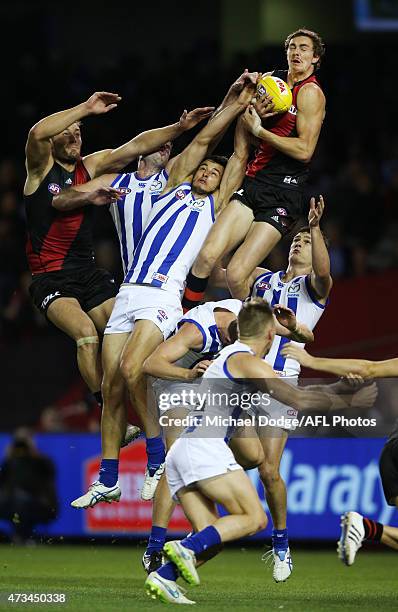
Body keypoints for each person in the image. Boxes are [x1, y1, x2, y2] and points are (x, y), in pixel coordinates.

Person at [70, 80, 257, 508]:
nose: (209, 173)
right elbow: (203, 139)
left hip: (163, 295)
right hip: (128, 291)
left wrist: (241, 108)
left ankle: (156, 461)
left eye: (214, 171)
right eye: (204, 169)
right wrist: (223, 105)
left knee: (135, 368)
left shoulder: (215, 206)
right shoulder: (169, 188)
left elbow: (236, 154)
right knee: (111, 384)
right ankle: (109, 477)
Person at [24, 90, 212, 439]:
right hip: (50, 278)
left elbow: (136, 145)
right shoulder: (39, 170)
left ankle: (167, 402)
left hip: (89, 273)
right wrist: (86, 108)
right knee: (85, 334)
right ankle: (108, 411)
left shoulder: (90, 167)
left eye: (80, 131)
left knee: (130, 337)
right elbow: (37, 135)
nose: (76, 136)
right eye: (69, 132)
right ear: (55, 139)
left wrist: (179, 127)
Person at [144, 299, 355, 604]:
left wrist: (336, 391)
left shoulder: (232, 356)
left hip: (185, 451)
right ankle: (185, 548)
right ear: (270, 335)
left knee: (212, 539)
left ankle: (163, 578)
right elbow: (298, 400)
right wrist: (346, 395)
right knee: (254, 518)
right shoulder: (245, 360)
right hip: (204, 448)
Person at [208, 194, 332, 579]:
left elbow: (325, 273)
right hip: (244, 381)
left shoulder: (314, 289)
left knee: (270, 471)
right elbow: (222, 273)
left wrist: (315, 227)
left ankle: (280, 544)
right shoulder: (262, 279)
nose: (298, 242)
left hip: (279, 385)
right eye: (296, 238)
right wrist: (226, 223)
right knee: (243, 459)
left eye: (306, 242)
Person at [182, 28, 326, 310]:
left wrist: (262, 131)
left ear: (315, 58)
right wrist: (249, 112)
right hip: (253, 183)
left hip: (283, 194)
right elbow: (243, 138)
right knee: (206, 258)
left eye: (304, 48)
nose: (297, 52)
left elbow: (305, 150)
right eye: (292, 47)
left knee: (236, 274)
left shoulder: (311, 93)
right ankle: (180, 321)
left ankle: (259, 337)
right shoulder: (270, 83)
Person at [277, 347, 398, 566]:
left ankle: (366, 528)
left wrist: (313, 361)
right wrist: (311, 361)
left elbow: (368, 368)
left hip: (392, 451)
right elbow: (367, 369)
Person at [0, 431, 57, 543]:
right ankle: (20, 536)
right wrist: (9, 456)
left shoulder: (40, 461)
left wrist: (34, 452)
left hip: (38, 502)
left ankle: (23, 536)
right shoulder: (10, 462)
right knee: (18, 500)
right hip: (11, 501)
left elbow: (50, 472)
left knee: (22, 501)